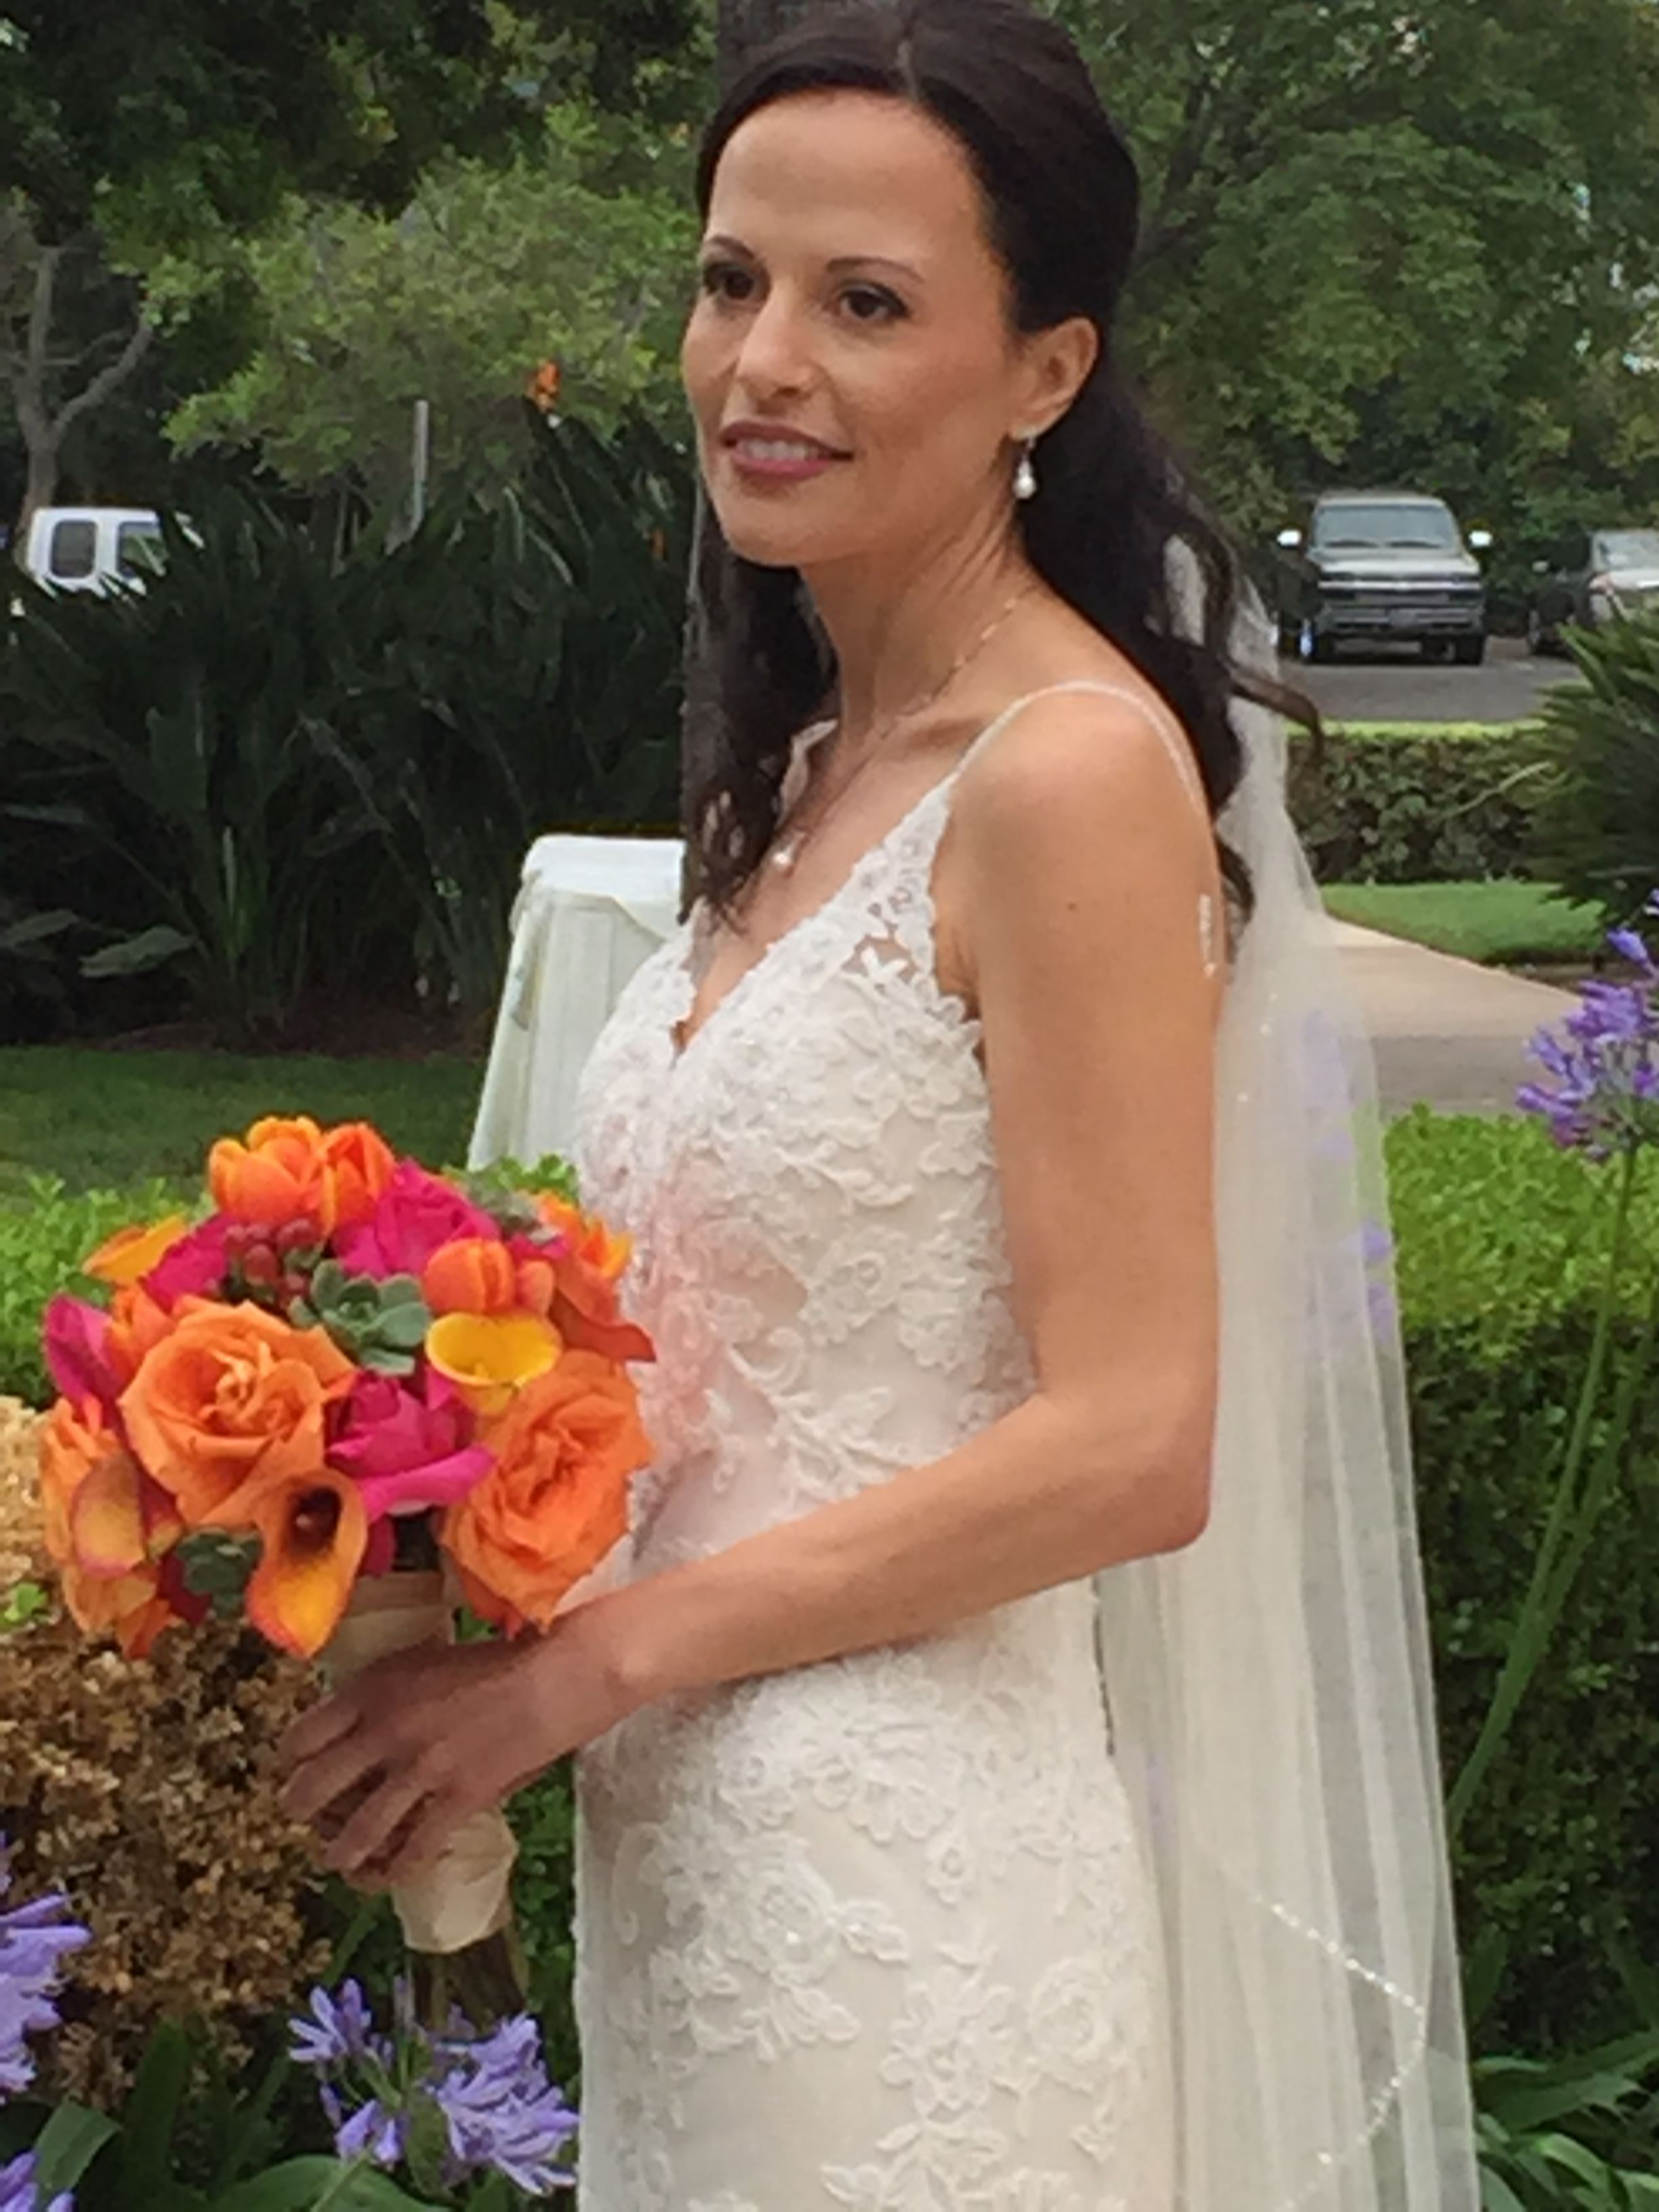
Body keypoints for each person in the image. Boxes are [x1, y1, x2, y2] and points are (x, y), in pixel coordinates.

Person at [282, 3, 1479, 2204]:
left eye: (865, 304)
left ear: (1046, 371)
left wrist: (582, 1673)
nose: (764, 363)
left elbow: (1135, 1441)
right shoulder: (815, 767)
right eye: (731, 280)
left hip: (913, 1920)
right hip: (696, 1890)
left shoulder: (1069, 774)